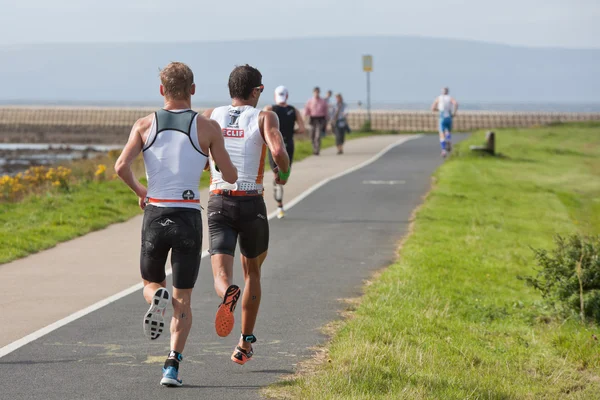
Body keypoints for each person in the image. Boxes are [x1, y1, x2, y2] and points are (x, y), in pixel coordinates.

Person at [114, 62, 237, 387]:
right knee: (184, 300)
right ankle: (172, 366)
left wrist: (142, 191)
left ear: (161, 91)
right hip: (188, 218)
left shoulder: (144, 124)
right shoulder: (208, 127)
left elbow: (121, 166)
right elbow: (231, 175)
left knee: (149, 284)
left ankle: (158, 295)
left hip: (156, 214)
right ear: (192, 90)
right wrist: (214, 162)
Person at [203, 64, 290, 366]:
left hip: (219, 201)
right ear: (257, 91)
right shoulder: (265, 116)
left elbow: (200, 155)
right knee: (252, 272)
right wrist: (284, 173)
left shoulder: (210, 115)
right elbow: (277, 150)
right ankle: (244, 343)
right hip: (251, 202)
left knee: (220, 273)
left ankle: (227, 292)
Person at [263, 85, 305, 219]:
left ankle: (279, 205)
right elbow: (302, 128)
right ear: (286, 96)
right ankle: (280, 204)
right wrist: (291, 132)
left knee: (276, 175)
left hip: (274, 145)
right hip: (288, 144)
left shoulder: (270, 109)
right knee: (284, 174)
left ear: (275, 96)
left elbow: (260, 125)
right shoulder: (293, 110)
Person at [431, 87, 459, 157]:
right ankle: (448, 140)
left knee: (441, 134)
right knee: (448, 131)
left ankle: (443, 150)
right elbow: (456, 103)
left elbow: (432, 108)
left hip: (442, 117)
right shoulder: (450, 98)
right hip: (449, 117)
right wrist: (454, 112)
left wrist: (439, 109)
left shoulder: (439, 98)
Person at [304, 86, 328, 155]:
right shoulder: (310, 101)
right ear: (313, 93)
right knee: (312, 135)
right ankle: (314, 148)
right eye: (315, 92)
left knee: (317, 136)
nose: (316, 94)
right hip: (312, 119)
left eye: (317, 92)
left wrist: (326, 121)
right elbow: (307, 110)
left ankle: (317, 150)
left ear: (319, 93)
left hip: (320, 119)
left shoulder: (323, 101)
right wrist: (305, 119)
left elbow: (326, 111)